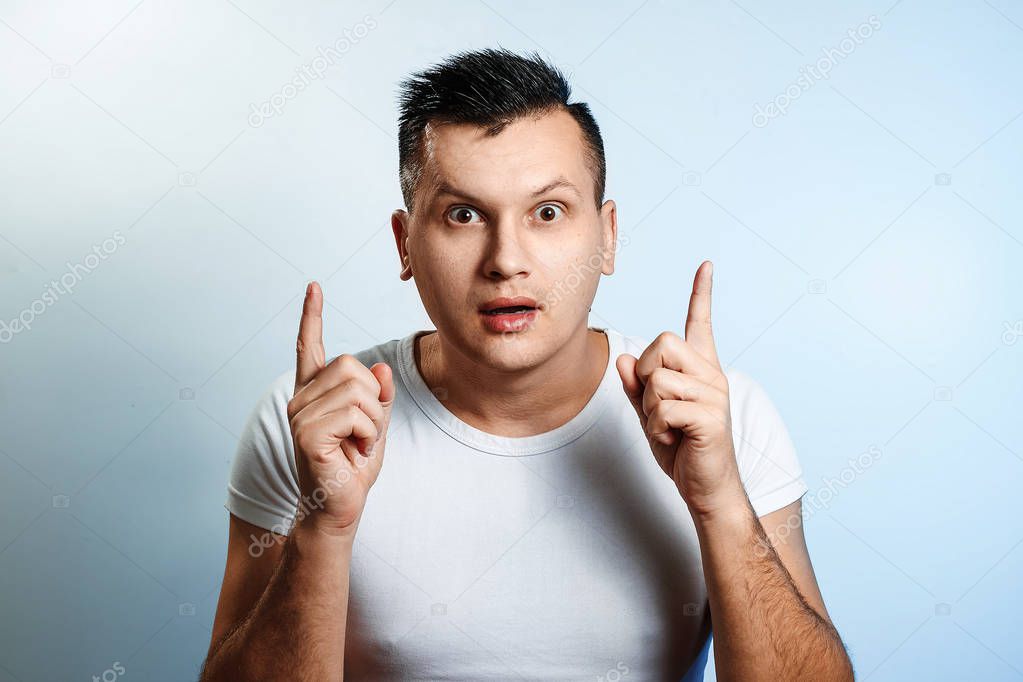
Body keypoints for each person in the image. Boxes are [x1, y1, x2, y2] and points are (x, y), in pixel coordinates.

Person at [200, 48, 853, 681]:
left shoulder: (718, 414)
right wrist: (323, 526)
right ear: (405, 245)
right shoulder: (314, 422)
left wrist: (718, 503)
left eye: (546, 212)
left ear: (606, 237)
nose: (505, 259)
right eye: (462, 214)